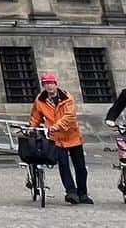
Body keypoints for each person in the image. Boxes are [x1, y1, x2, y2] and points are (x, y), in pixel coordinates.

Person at [29, 71, 92, 205]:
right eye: (46, 84)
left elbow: (70, 116)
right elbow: (36, 116)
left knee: (80, 167)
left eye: (51, 83)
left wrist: (57, 126)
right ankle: (71, 192)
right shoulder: (40, 100)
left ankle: (83, 193)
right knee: (63, 165)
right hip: (56, 138)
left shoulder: (67, 97)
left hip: (72, 135)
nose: (49, 86)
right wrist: (32, 127)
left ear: (56, 84)